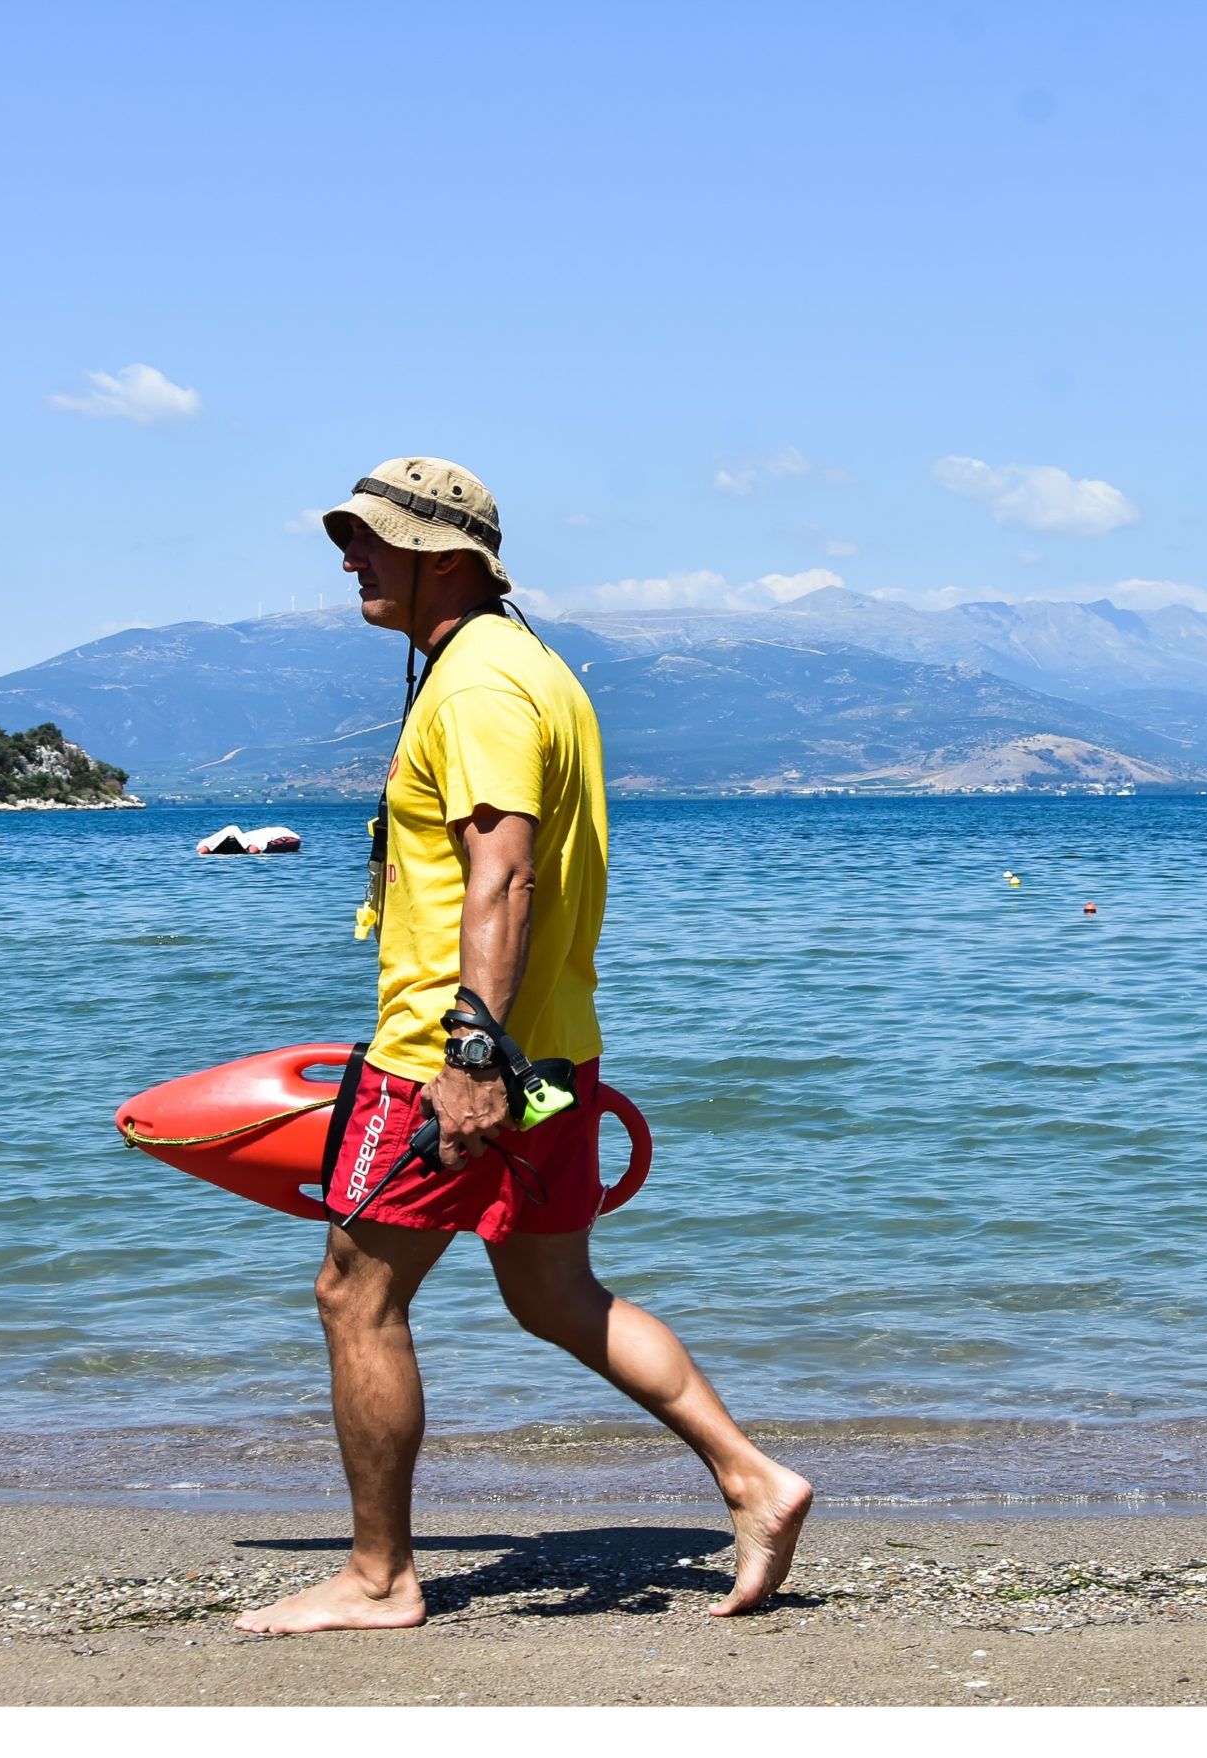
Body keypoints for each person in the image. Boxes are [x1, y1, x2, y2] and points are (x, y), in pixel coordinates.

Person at [235, 457, 812, 1635]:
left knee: (354, 1295)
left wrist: (468, 1056)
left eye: (371, 537)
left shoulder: (481, 686)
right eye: (348, 534)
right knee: (554, 1290)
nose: (349, 557)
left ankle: (379, 1579)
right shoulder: (532, 667)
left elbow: (502, 875)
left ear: (448, 557)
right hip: (554, 1056)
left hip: (452, 1059)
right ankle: (753, 1479)